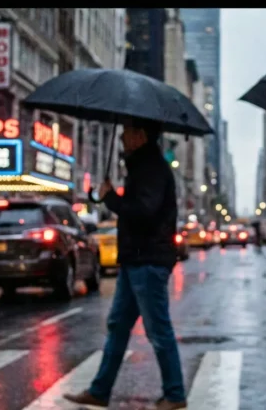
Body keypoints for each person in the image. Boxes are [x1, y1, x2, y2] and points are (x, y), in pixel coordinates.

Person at [65, 120, 186, 410]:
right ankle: (99, 391)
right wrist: (110, 196)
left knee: (158, 329)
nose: (121, 136)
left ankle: (175, 394)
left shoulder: (151, 169)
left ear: (141, 135)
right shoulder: (140, 167)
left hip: (148, 260)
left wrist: (112, 199)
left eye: (127, 131)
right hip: (135, 260)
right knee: (118, 326)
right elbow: (138, 208)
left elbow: (143, 212)